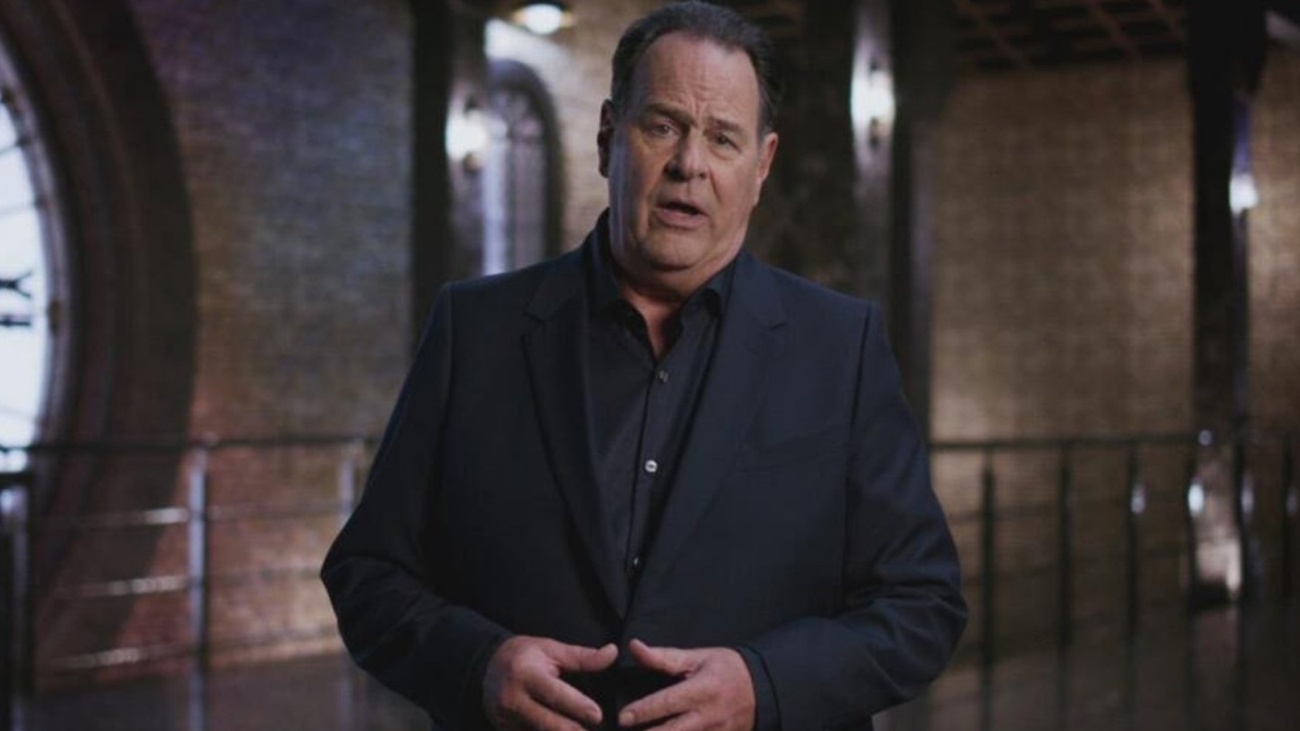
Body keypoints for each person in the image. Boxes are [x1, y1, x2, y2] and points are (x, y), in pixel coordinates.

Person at [321, 3, 966, 730]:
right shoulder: (474, 330)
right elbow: (368, 572)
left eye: (723, 138)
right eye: (662, 126)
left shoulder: (841, 347)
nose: (690, 164)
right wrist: (477, 665)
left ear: (761, 166)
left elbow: (922, 604)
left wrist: (765, 686)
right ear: (608, 137)